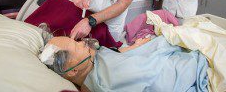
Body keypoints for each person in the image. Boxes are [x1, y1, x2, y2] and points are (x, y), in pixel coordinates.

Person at [42, 36, 208, 92]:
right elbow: (144, 72)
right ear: (72, 71)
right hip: (161, 71)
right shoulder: (102, 84)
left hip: (141, 57)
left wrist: (138, 46)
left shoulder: (92, 61)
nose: (81, 43)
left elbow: (115, 55)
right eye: (76, 45)